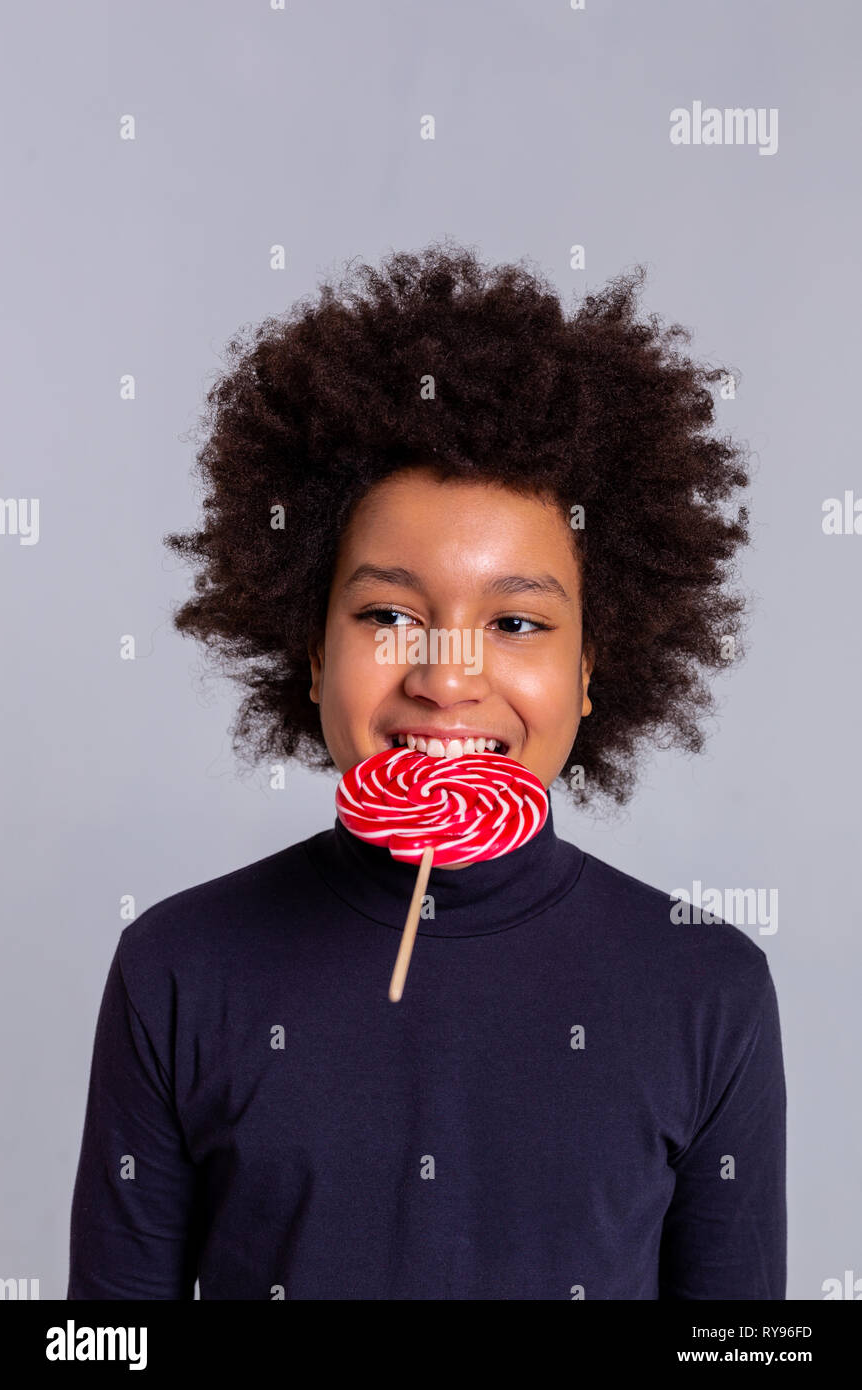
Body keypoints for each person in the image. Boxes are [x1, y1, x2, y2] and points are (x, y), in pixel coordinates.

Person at [67, 241, 786, 1299]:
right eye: (390, 615)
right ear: (312, 650)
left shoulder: (706, 988)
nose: (447, 678)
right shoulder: (175, 967)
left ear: (590, 670)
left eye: (515, 620)